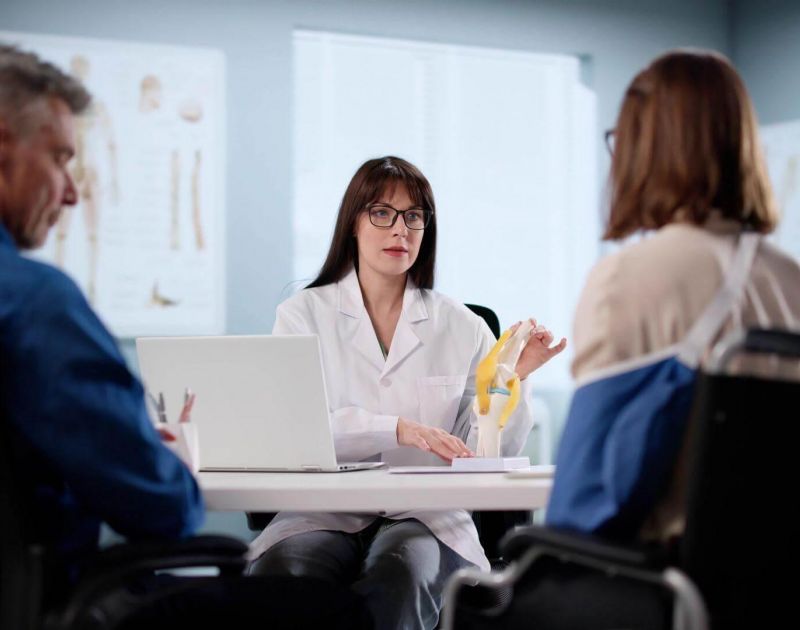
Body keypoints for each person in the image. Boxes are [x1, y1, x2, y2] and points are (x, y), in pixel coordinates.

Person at [0, 44, 371, 629]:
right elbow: (162, 509)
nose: (71, 192)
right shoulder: (36, 302)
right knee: (339, 612)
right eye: (60, 158)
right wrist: (160, 458)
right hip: (66, 607)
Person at [250, 155, 566, 630]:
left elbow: (484, 454)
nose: (400, 229)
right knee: (287, 574)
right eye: (382, 212)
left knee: (401, 575)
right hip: (324, 508)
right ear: (352, 223)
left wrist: (509, 381)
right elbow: (300, 427)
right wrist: (398, 429)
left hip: (427, 513)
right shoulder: (301, 315)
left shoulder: (462, 325)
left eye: (413, 217)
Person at [548, 50, 800, 544]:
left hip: (658, 589)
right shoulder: (791, 280)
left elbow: (584, 507)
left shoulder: (625, 278)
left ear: (646, 150)